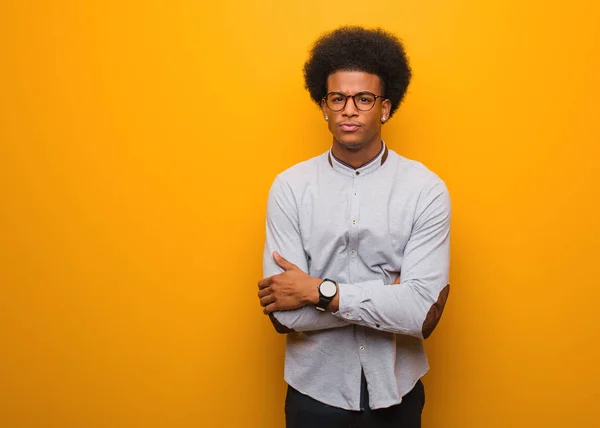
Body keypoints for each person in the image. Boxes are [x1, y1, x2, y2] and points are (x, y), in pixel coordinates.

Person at [257, 26, 451, 428]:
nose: (349, 109)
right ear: (323, 106)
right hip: (315, 394)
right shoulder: (290, 188)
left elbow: (422, 315)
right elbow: (283, 316)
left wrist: (317, 290)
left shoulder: (425, 189)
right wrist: (389, 298)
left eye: (363, 98)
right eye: (337, 98)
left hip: (398, 392)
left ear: (384, 107)